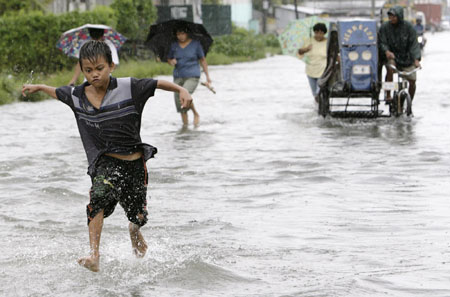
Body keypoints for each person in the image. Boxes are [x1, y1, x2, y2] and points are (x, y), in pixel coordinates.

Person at [21, 40, 193, 272]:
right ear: (82, 70)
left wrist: (182, 89)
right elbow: (58, 92)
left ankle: (134, 231)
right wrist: (40, 87)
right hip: (106, 162)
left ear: (111, 66)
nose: (94, 75)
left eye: (99, 69)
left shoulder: (129, 87)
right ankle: (94, 255)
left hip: (134, 164)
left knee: (138, 215)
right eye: (88, 70)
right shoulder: (78, 96)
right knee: (97, 199)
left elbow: (158, 83)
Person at [167, 24, 212, 126]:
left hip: (193, 75)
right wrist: (171, 61)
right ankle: (185, 126)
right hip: (178, 75)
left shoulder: (196, 44)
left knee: (185, 94)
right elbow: (169, 59)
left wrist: (208, 77)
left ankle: (195, 114)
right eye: (178, 34)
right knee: (179, 102)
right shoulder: (174, 45)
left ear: (187, 33)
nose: (180, 36)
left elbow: (203, 60)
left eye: (182, 33)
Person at [379, 6, 421, 101]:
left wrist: (416, 59)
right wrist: (387, 51)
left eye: (394, 16)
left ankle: (410, 100)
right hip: (392, 57)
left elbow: (414, 44)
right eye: (390, 16)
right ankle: (388, 94)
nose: (392, 19)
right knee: (390, 68)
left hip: (406, 58)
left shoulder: (409, 27)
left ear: (399, 16)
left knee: (413, 80)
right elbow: (382, 42)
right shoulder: (385, 28)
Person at [297, 23, 328, 102]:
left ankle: (321, 107)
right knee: (315, 94)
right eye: (317, 32)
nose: (318, 35)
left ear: (324, 33)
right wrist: (306, 49)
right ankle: (318, 109)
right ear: (314, 32)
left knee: (319, 92)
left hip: (322, 70)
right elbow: (300, 52)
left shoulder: (328, 42)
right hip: (310, 70)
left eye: (321, 33)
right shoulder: (309, 41)